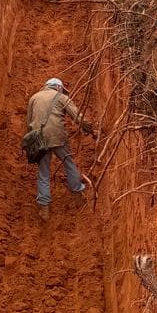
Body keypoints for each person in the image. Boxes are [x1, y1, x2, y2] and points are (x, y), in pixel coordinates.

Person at [26, 76, 93, 219]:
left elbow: (29, 122)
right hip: (58, 137)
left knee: (43, 172)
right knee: (69, 164)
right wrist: (90, 129)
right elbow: (77, 116)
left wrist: (32, 141)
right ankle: (77, 193)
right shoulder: (61, 97)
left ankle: (44, 207)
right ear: (58, 88)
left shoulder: (34, 98)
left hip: (40, 139)